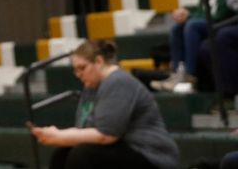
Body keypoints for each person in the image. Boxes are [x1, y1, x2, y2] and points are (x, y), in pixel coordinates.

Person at [31, 40, 179, 169]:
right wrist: (58, 136)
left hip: (150, 155)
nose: (78, 74)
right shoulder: (91, 86)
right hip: (123, 150)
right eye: (75, 70)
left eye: (82, 68)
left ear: (99, 62)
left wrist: (60, 135)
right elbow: (83, 129)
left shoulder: (118, 81)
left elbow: (107, 135)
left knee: (82, 155)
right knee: (62, 154)